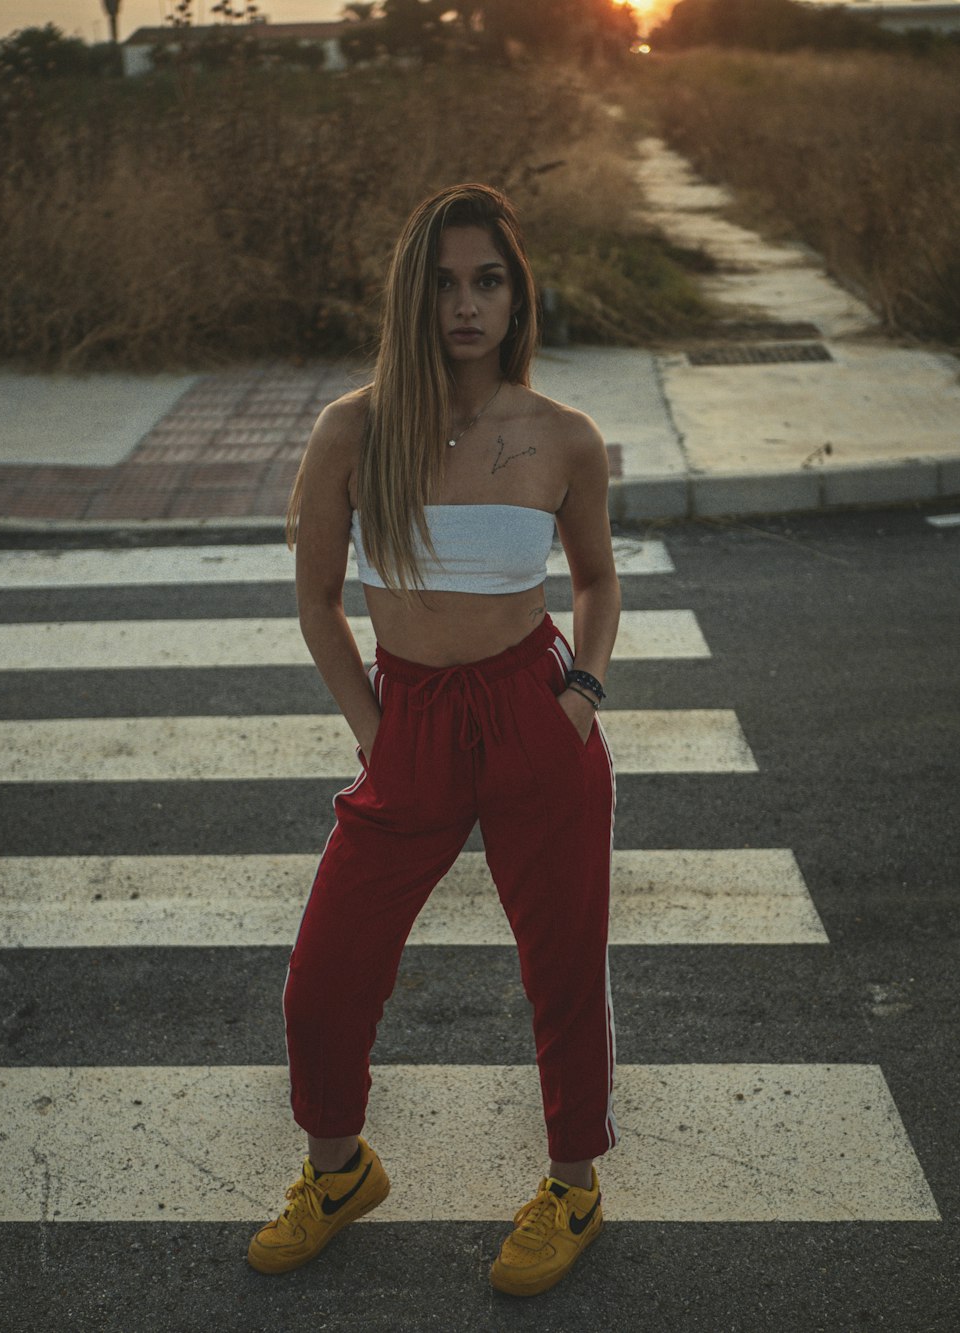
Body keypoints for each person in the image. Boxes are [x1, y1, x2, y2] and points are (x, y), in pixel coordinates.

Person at [247, 183, 620, 1298]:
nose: (467, 304)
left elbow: (597, 579)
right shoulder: (354, 430)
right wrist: (374, 727)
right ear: (416, 295)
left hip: (530, 710)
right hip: (407, 712)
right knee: (325, 976)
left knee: (561, 967)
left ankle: (572, 1185)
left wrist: (580, 695)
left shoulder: (562, 437)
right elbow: (318, 599)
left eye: (488, 280)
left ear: (517, 294)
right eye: (446, 281)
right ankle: (339, 1168)